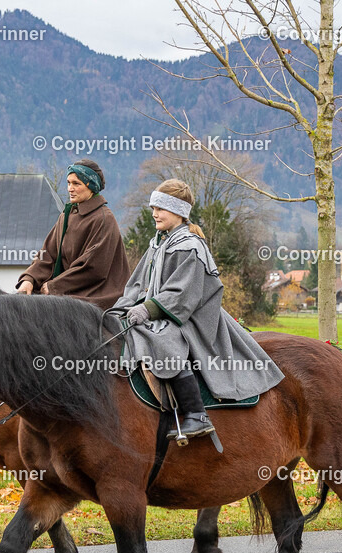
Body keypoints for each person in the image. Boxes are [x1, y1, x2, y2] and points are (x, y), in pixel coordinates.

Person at [114, 179, 285, 440]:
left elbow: (182, 295)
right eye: (153, 208)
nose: (155, 214)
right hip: (164, 313)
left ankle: (197, 415)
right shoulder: (159, 242)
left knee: (162, 342)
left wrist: (147, 310)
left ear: (179, 212)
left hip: (191, 318)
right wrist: (123, 308)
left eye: (161, 208)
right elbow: (138, 283)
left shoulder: (190, 245)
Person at [16, 159, 129, 310]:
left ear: (91, 187)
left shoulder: (103, 219)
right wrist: (29, 279)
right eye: (69, 183)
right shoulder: (66, 215)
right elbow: (48, 255)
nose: (70, 188)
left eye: (76, 184)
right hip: (67, 290)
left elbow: (93, 268)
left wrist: (55, 286)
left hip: (96, 294)